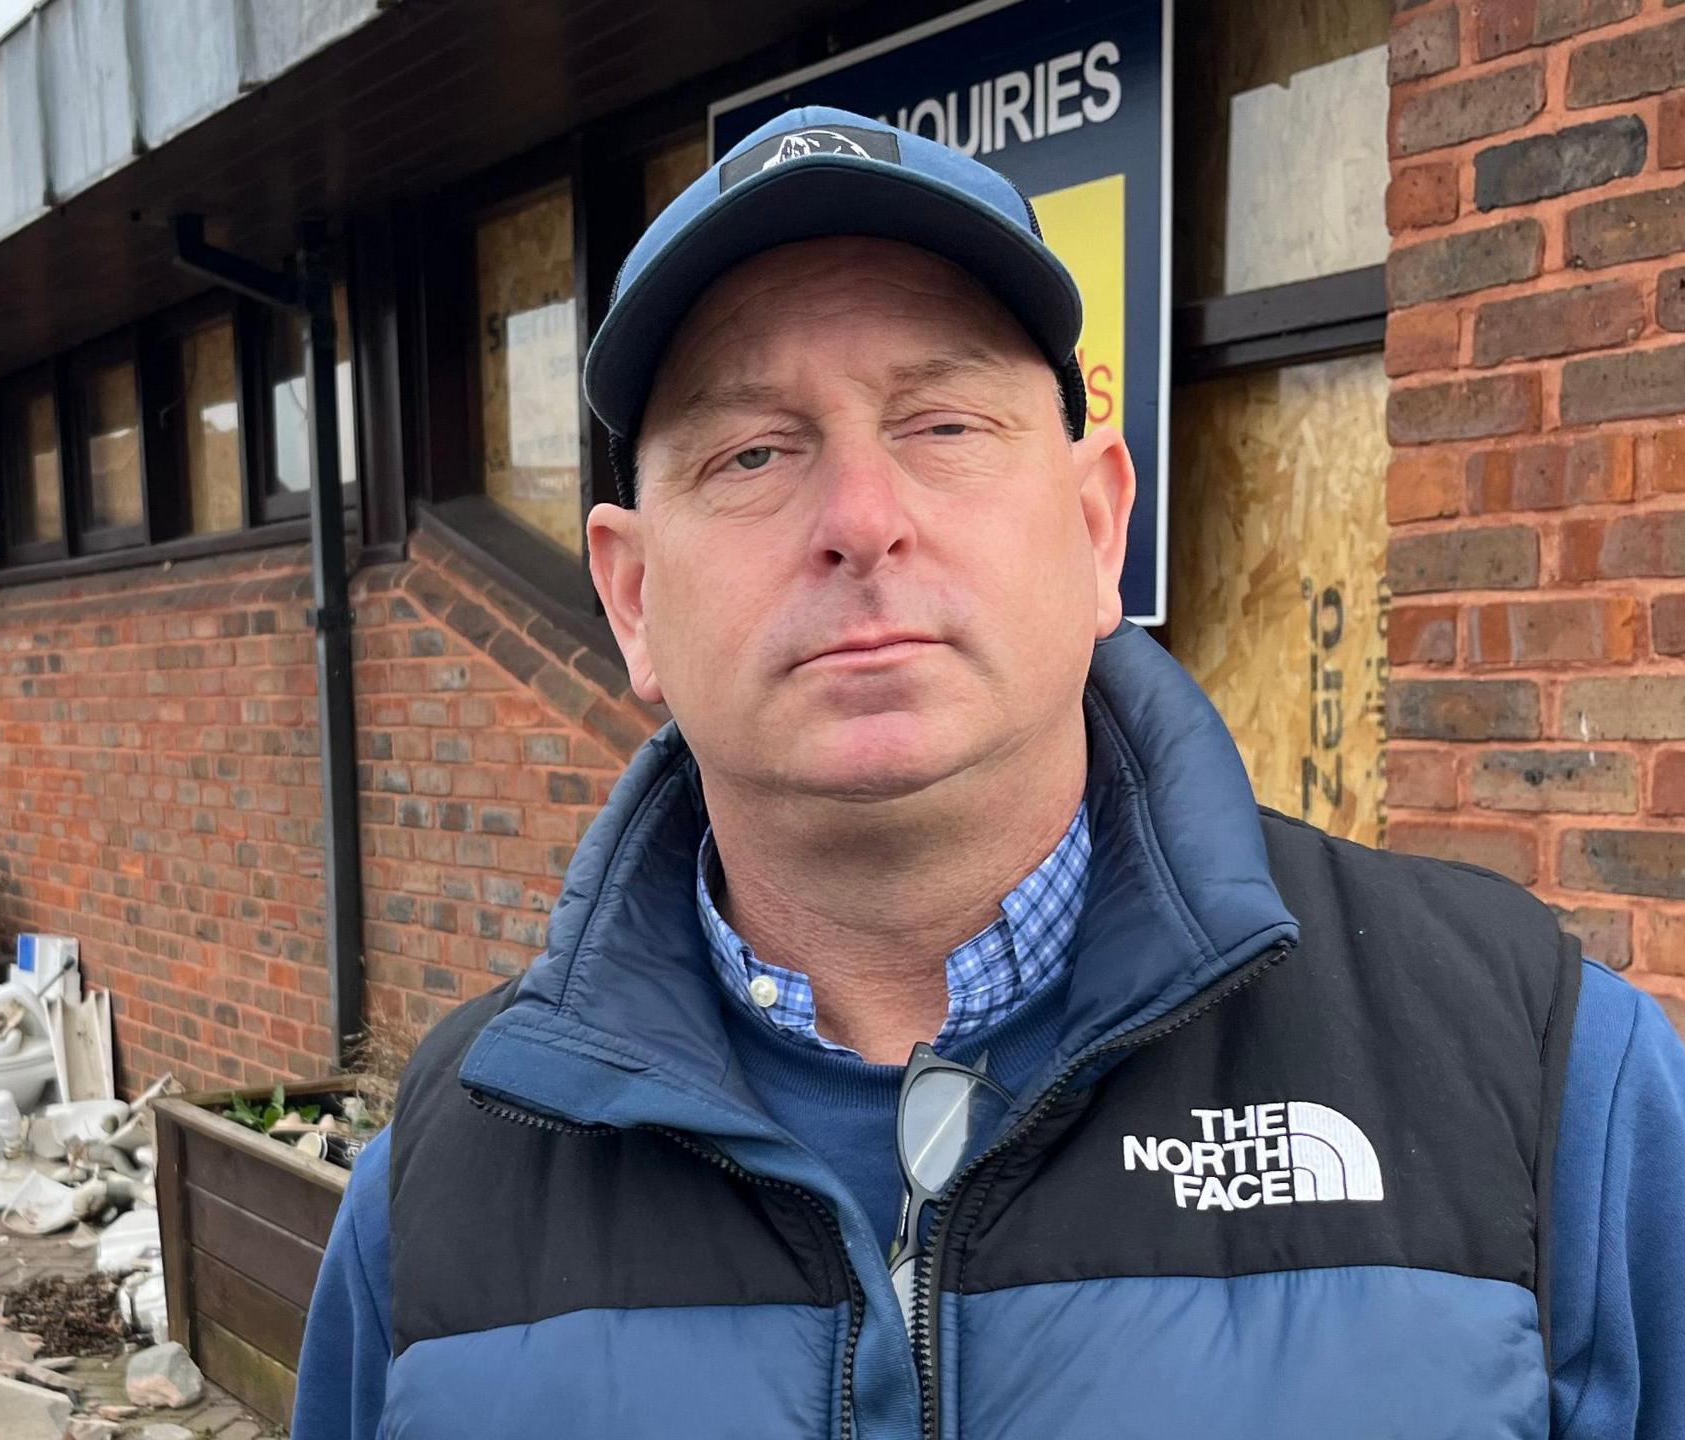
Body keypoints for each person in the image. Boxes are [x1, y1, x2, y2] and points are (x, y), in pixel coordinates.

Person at [290, 105, 1685, 1440]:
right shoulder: (438, 1199)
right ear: (634, 594)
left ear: (1097, 529)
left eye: (943, 425)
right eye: (753, 450)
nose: (860, 518)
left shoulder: (1551, 1079)